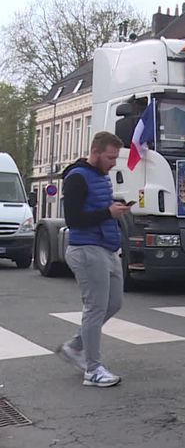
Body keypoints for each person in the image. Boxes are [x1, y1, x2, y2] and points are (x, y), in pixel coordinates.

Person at [55, 132, 132, 388]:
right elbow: (74, 219)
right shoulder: (77, 177)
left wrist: (114, 208)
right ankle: (93, 369)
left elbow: (97, 207)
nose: (113, 163)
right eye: (110, 157)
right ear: (96, 152)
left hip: (106, 247)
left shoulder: (100, 175)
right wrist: (107, 212)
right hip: (87, 248)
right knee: (95, 308)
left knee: (114, 303)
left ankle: (75, 346)